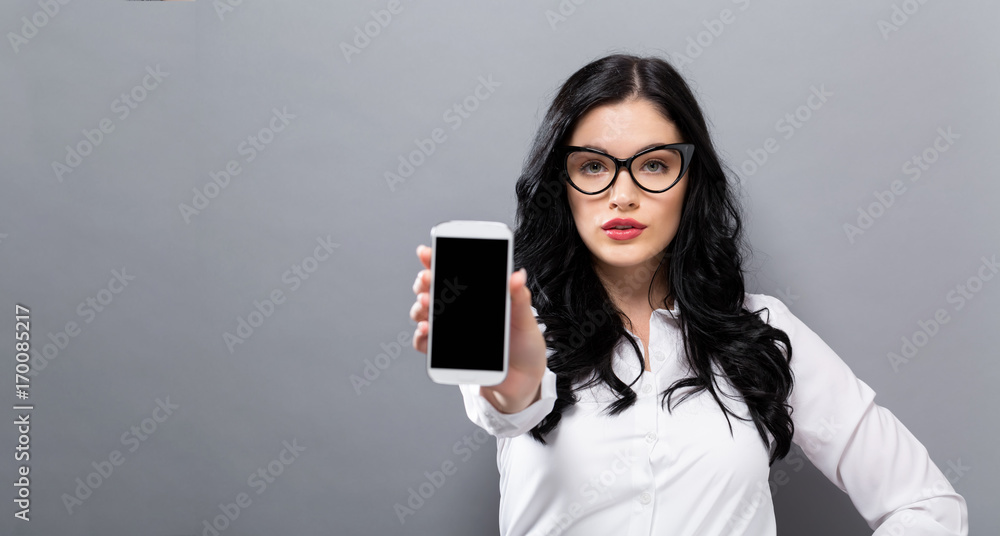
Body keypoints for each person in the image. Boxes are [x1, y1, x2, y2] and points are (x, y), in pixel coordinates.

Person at [408, 54, 968, 536]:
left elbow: (928, 506)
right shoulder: (516, 328)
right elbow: (508, 405)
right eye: (593, 167)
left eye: (653, 165)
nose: (622, 195)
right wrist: (513, 382)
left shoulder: (762, 329)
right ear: (562, 184)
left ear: (690, 182)